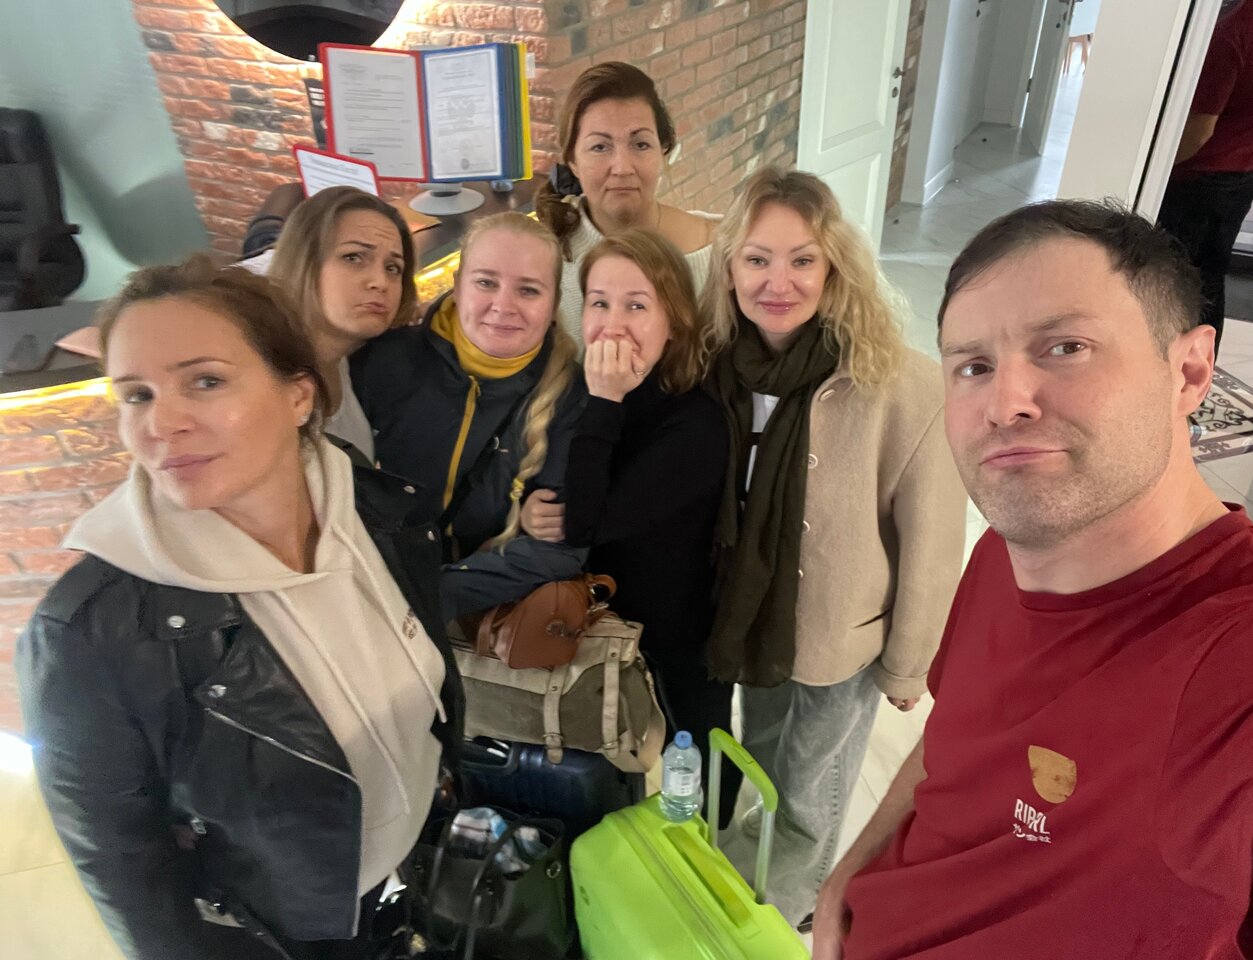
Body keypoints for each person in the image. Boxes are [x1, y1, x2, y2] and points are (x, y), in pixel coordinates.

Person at [814, 200, 1253, 960]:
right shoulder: (1002, 552)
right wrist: (852, 869)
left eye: (1066, 347)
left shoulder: (1245, 660)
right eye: (974, 366)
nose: (1006, 404)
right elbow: (955, 739)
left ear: (1190, 371)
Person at [17, 257, 464, 960]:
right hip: (287, 936)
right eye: (135, 394)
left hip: (418, 879)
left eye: (205, 381)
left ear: (299, 395)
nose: (162, 423)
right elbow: (126, 874)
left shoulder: (378, 509)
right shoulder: (91, 632)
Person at [700, 166, 967, 926]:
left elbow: (932, 540)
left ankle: (781, 918)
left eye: (802, 259)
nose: (777, 281)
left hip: (840, 638)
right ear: (730, 268)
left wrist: (908, 663)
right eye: (757, 259)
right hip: (752, 620)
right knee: (764, 759)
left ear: (834, 267)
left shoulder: (902, 385)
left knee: (810, 793)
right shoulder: (718, 365)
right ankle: (756, 878)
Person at [522, 227, 741, 823]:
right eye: (600, 302)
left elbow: (584, 522)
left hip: (676, 636)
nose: (613, 325)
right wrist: (531, 509)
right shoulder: (584, 392)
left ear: (675, 323)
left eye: (637, 306)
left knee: (697, 763)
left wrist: (605, 401)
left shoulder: (695, 423)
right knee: (612, 761)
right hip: (602, 628)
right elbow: (561, 490)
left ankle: (713, 847)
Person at [350, 211, 587, 621]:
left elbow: (560, 548)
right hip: (365, 599)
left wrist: (429, 600)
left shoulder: (571, 396)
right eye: (486, 283)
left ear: (553, 305)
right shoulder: (383, 361)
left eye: (528, 290)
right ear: (458, 286)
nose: (503, 306)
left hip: (463, 616)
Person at [535, 61, 718, 344]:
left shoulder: (717, 251)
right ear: (572, 161)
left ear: (663, 151)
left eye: (640, 144)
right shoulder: (545, 256)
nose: (622, 167)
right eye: (600, 147)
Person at [1156, 0, 1253, 354]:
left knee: (1173, 279)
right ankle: (1201, 365)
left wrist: (1155, 171)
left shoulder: (1231, 29)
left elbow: (1200, 131)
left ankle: (1170, 365)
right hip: (1247, 172)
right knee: (1210, 275)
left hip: (1198, 179)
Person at [270, 185, 420, 462]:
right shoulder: (268, 386)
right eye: (353, 258)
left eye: (393, 268)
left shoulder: (351, 358)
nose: (380, 282)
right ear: (304, 261)